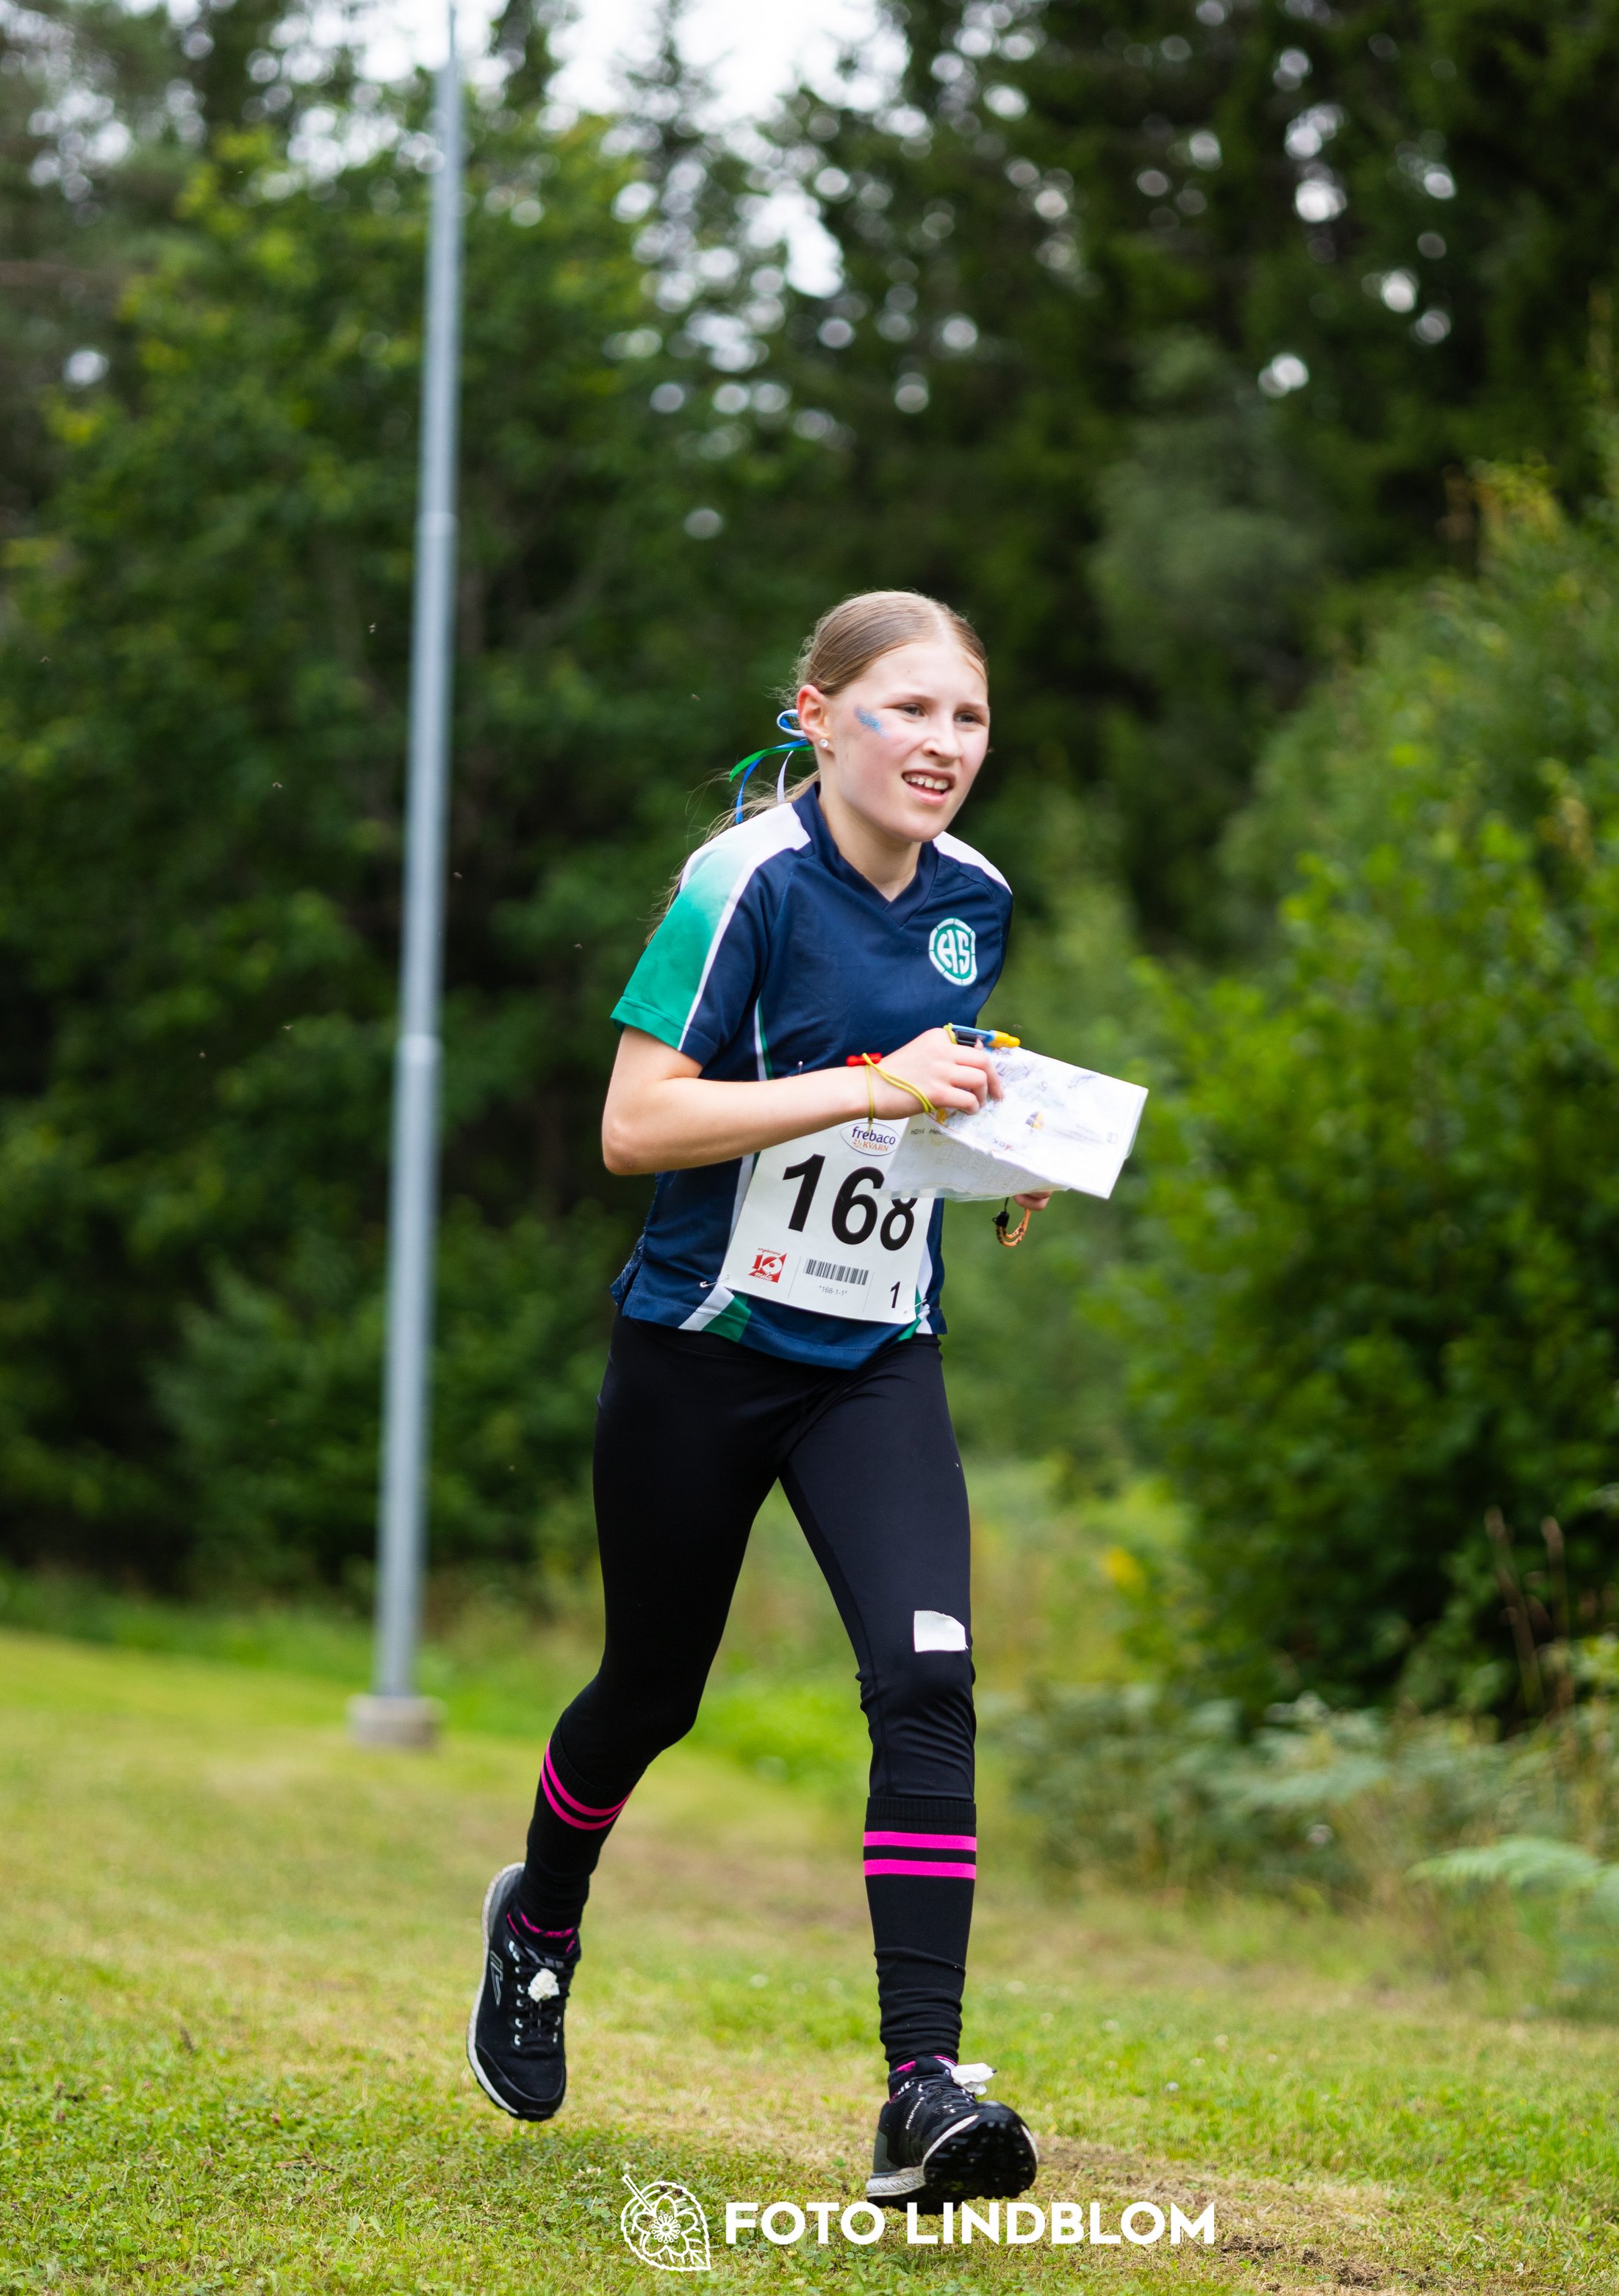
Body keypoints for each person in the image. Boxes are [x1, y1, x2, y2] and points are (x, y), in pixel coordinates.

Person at [465, 590, 1051, 2208]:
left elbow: (916, 1076)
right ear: (816, 714)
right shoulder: (738, 888)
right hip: (703, 1354)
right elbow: (636, 1126)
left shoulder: (977, 899)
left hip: (873, 1353)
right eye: (908, 712)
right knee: (649, 1693)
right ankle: (542, 1921)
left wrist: (990, 1150)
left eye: (968, 720)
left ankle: (919, 2092)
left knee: (926, 1677)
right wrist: (876, 1089)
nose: (942, 748)